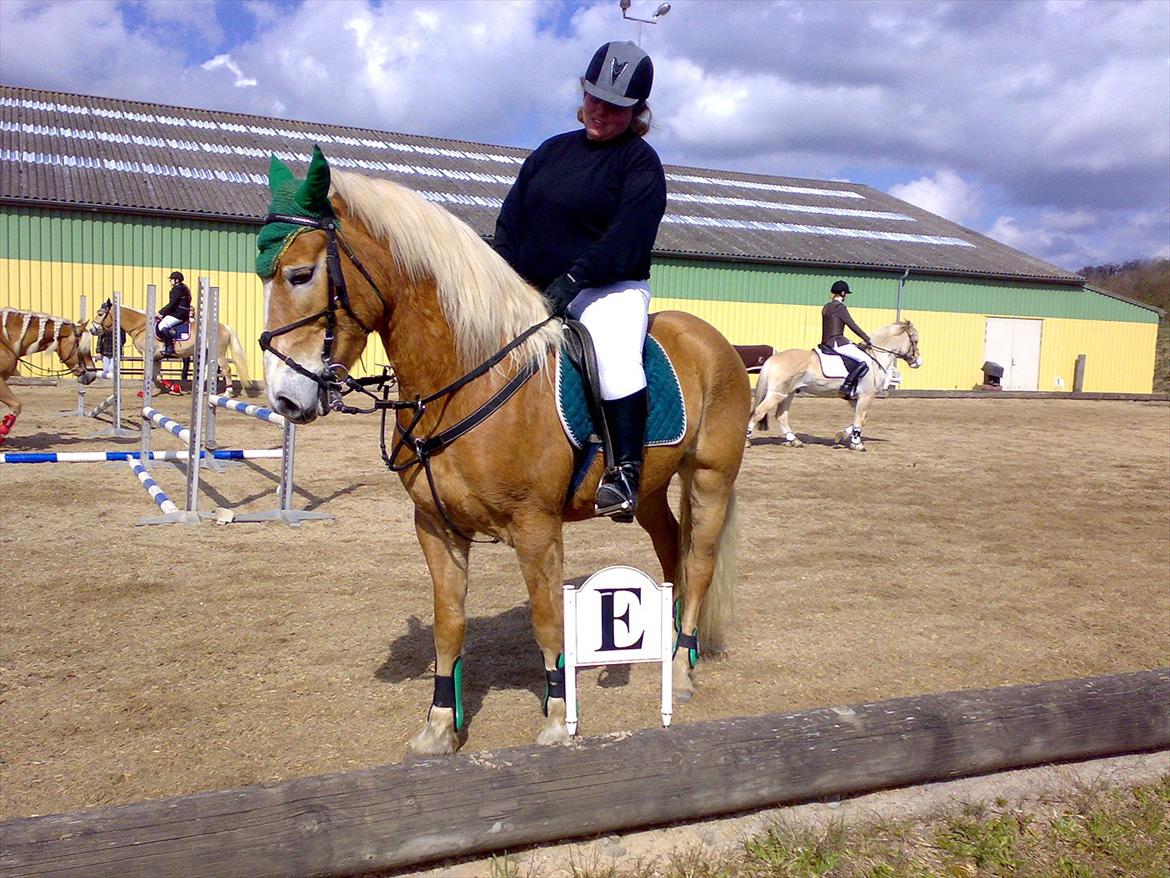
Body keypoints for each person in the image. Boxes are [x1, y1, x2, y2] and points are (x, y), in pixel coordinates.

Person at [492, 40, 667, 523]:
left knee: (614, 360)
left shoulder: (639, 163)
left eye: (616, 107)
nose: (601, 112)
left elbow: (626, 238)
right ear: (583, 92)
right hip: (534, 289)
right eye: (594, 98)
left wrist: (572, 280)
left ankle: (625, 472)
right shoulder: (551, 152)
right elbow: (511, 222)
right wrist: (501, 279)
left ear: (637, 112)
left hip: (607, 289)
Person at [821, 280, 872, 399]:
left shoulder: (827, 306)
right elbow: (852, 325)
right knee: (866, 359)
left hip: (826, 342)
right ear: (843, 293)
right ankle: (846, 386)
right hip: (836, 342)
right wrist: (867, 339)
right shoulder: (840, 307)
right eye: (846, 294)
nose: (847, 296)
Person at [157, 271, 191, 356]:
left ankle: (170, 347)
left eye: (171, 279)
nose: (170, 281)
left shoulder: (178, 289)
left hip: (179, 314)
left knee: (162, 326)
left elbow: (172, 303)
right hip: (180, 313)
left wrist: (161, 313)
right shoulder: (183, 288)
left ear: (176, 280)